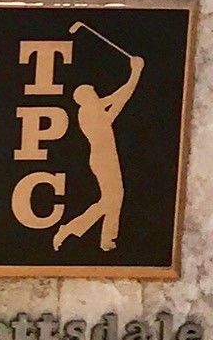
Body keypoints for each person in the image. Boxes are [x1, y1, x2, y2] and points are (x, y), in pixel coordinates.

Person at [54, 46, 145, 254]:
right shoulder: (89, 112)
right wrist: (135, 72)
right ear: (85, 98)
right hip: (103, 159)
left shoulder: (93, 109)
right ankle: (84, 232)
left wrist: (135, 74)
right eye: (92, 93)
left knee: (112, 198)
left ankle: (101, 238)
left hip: (106, 158)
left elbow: (119, 99)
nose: (96, 94)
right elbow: (119, 98)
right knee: (113, 198)